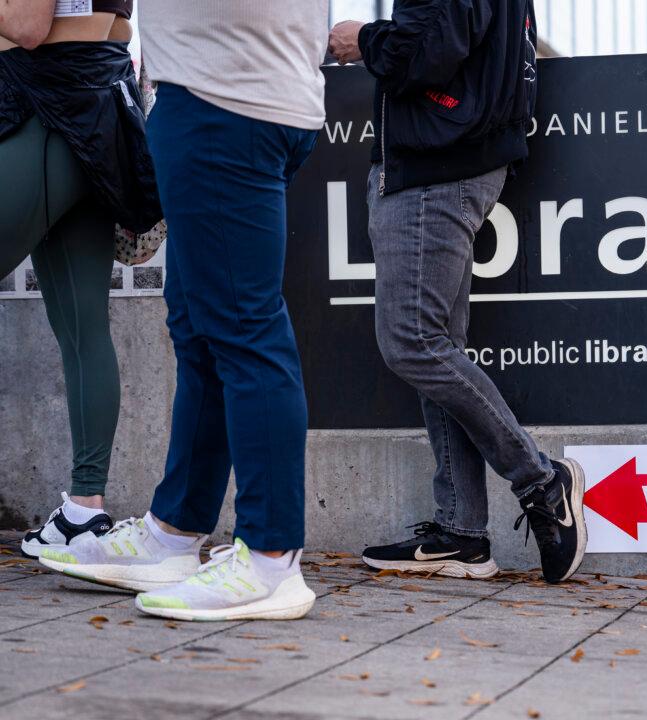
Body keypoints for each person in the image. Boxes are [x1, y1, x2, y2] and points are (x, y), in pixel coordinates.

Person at [37, 0, 330, 623]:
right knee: (202, 330)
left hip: (225, 98)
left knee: (244, 328)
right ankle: (174, 533)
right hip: (236, 90)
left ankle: (271, 560)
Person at [327, 1, 587, 584]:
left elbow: (422, 51)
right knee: (438, 347)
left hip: (433, 165)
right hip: (453, 158)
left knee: (412, 343)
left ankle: (541, 480)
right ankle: (462, 532)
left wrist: (362, 39)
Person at [0, 1, 160, 558]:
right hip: (94, 109)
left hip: (44, 107)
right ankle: (83, 515)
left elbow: (27, 25)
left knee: (82, 326)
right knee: (82, 325)